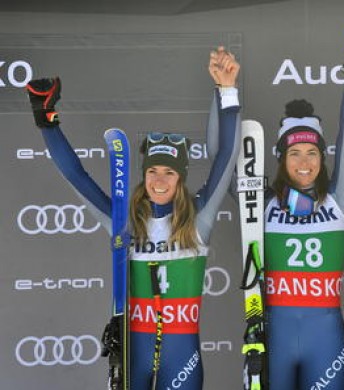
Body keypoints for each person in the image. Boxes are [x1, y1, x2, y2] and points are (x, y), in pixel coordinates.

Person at [25, 47, 241, 390]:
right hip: (133, 353)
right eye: (152, 171)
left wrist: (228, 89)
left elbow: (227, 154)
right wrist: (45, 117)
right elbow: (77, 177)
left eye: (169, 173)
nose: (158, 181)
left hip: (181, 357)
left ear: (181, 178)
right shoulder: (124, 221)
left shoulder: (200, 218)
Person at [263, 27, 344, 389]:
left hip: (327, 345)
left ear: (322, 157)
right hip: (275, 344)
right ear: (281, 159)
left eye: (312, 153)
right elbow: (219, 157)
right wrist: (223, 92)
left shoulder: (338, 201)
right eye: (295, 154)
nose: (305, 163)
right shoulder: (264, 204)